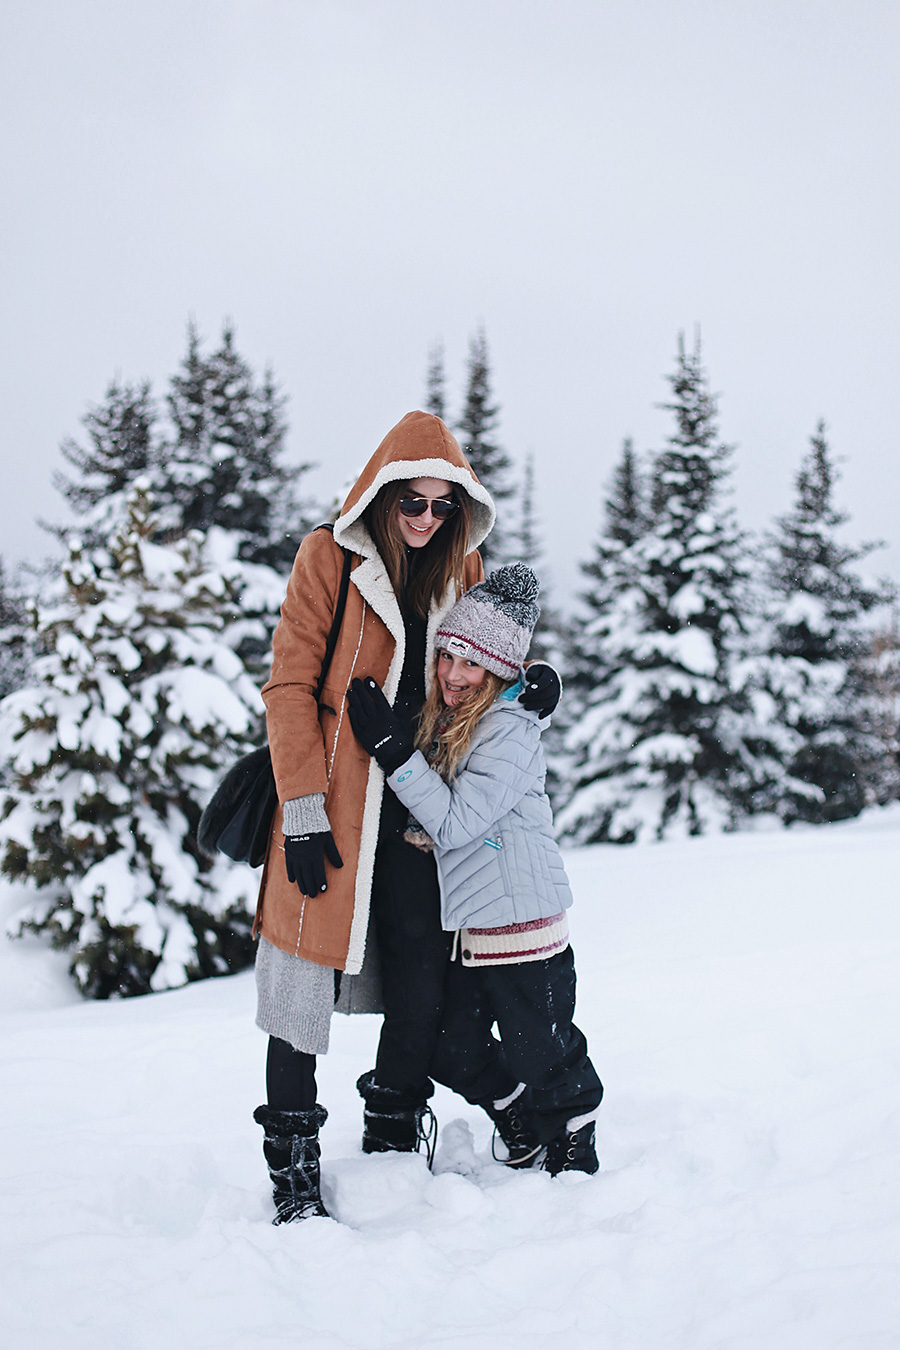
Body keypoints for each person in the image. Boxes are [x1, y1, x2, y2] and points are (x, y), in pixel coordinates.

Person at [251, 411, 560, 1223]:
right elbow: (288, 688)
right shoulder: (329, 558)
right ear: (381, 499)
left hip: (421, 810)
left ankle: (390, 1136)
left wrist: (532, 684)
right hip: (326, 804)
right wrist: (303, 813)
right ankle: (291, 1165)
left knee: (422, 988)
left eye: (440, 507)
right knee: (299, 987)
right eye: (410, 504)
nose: (425, 520)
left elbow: (485, 663)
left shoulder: (463, 569)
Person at [346, 563, 603, 1176]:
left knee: (542, 1045)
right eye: (448, 657)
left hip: (521, 926)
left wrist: (391, 750)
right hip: (472, 931)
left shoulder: (509, 729)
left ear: (499, 673)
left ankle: (574, 1132)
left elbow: (457, 822)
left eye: (473, 664)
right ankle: (514, 1109)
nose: (455, 676)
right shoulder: (454, 722)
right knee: (447, 1042)